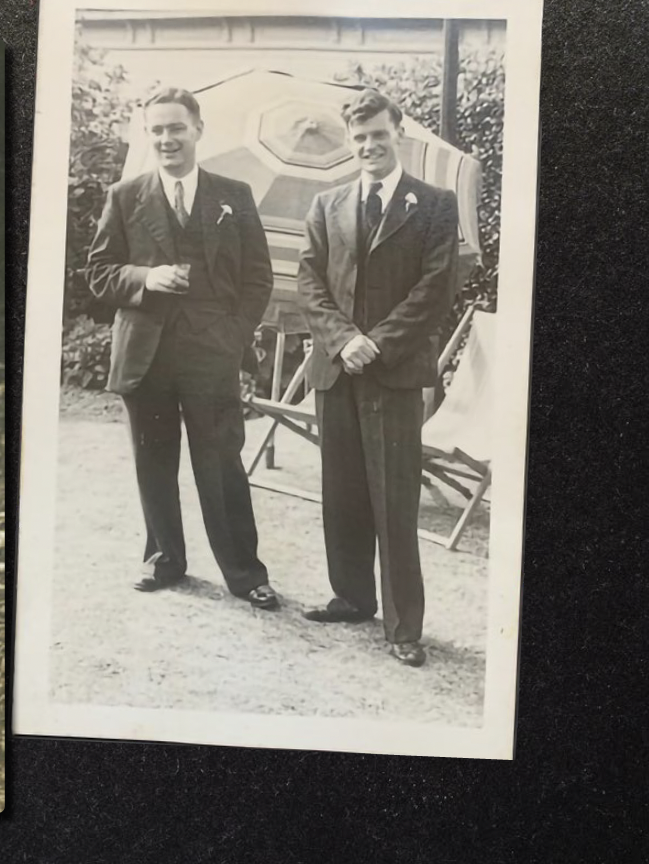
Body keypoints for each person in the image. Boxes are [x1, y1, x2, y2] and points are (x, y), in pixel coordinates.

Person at [87, 87, 279, 610]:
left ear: (198, 128)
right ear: (147, 135)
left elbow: (259, 279)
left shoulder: (232, 196)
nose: (167, 139)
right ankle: (164, 560)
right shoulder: (124, 197)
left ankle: (244, 572)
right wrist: (147, 276)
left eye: (176, 128)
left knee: (221, 465)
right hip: (146, 354)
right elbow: (98, 275)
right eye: (157, 130)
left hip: (212, 353)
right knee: (153, 463)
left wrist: (234, 336)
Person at [297, 89, 461, 667]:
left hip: (392, 372)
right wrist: (344, 341)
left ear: (401, 136)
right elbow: (309, 282)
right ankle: (352, 596)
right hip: (337, 369)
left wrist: (378, 343)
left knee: (394, 500)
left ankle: (402, 626)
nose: (370, 145)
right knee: (340, 492)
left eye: (380, 135)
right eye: (360, 137)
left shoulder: (436, 205)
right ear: (351, 141)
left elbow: (437, 288)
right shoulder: (326, 205)